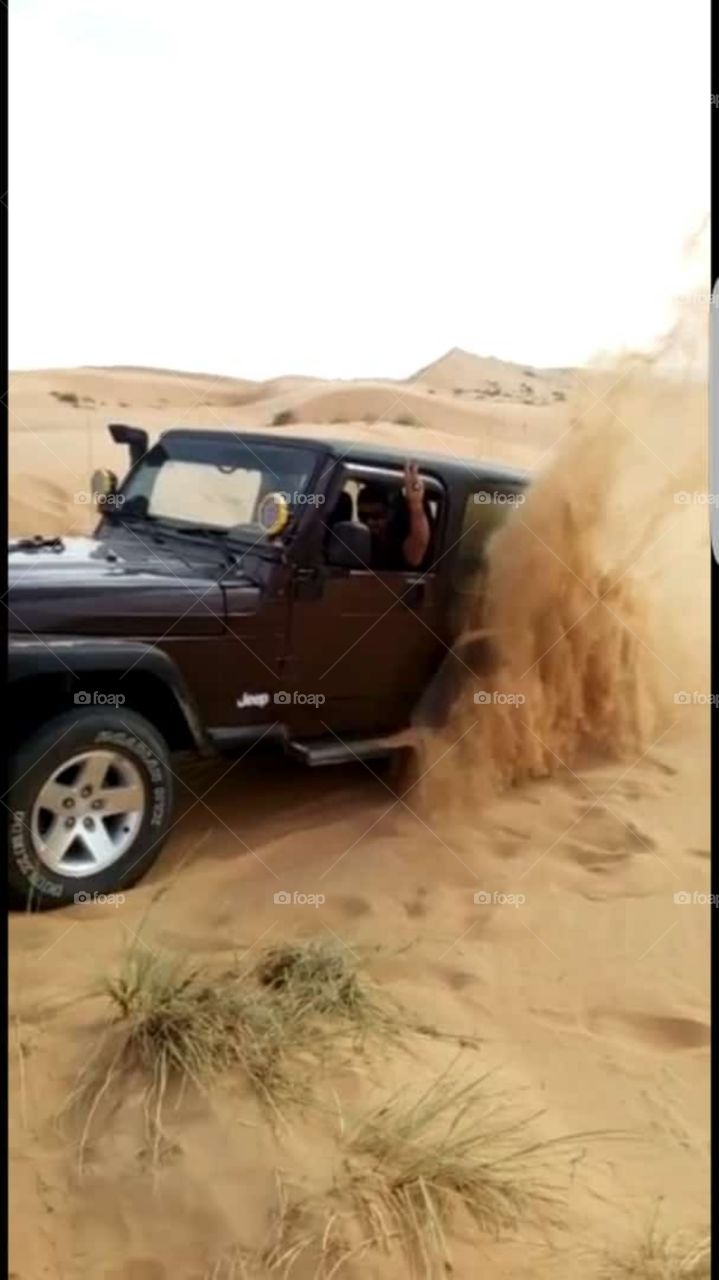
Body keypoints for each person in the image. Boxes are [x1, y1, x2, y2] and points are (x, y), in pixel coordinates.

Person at [357, 461, 431, 570]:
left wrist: (416, 505)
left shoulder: (396, 536)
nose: (369, 522)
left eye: (376, 516)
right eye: (363, 516)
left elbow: (415, 554)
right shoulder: (359, 540)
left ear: (389, 514)